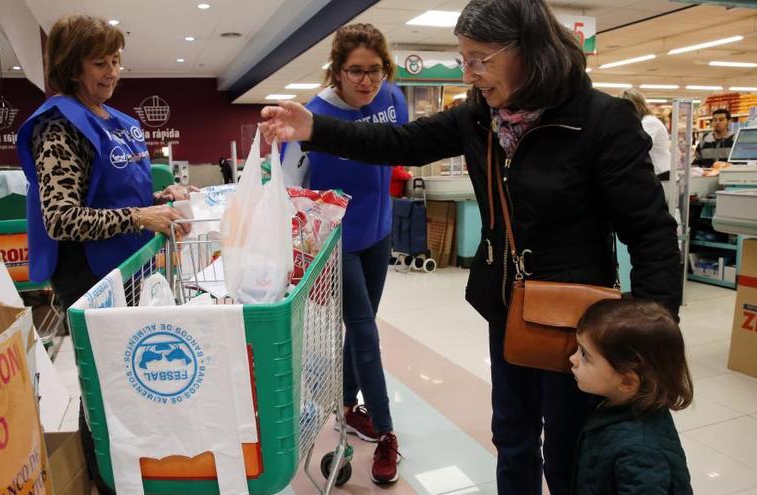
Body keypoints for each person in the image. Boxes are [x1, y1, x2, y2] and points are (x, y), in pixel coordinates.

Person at [260, 1, 682, 493]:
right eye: (464, 58)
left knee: (570, 449)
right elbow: (401, 143)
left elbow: (651, 231)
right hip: (507, 308)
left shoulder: (600, 121)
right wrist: (314, 128)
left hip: (579, 325)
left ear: (529, 50)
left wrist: (650, 339)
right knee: (512, 435)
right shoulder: (481, 117)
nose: (470, 72)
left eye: (480, 58)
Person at [16, 15, 192, 494]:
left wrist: (164, 203)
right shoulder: (58, 127)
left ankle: (137, 466)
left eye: (116, 60)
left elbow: (118, 199)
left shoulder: (119, 123)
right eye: (100, 62)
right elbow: (62, 218)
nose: (112, 71)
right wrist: (140, 217)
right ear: (73, 67)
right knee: (103, 388)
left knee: (134, 377)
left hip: (131, 268)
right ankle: (106, 480)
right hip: (90, 277)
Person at [289, 23, 409, 485]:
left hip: (379, 233)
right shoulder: (312, 116)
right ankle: (385, 432)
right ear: (337, 71)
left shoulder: (392, 99)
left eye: (375, 71)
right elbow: (291, 190)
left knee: (361, 330)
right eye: (356, 71)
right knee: (364, 330)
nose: (367, 82)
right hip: (338, 242)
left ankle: (345, 404)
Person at [570, 299, 693, 494]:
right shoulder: (614, 404)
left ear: (627, 382)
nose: (573, 359)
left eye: (585, 355)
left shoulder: (640, 453)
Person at [619, 89, 671, 181]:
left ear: (637, 106)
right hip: (654, 172)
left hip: (660, 173)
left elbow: (636, 146)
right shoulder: (640, 122)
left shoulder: (649, 122)